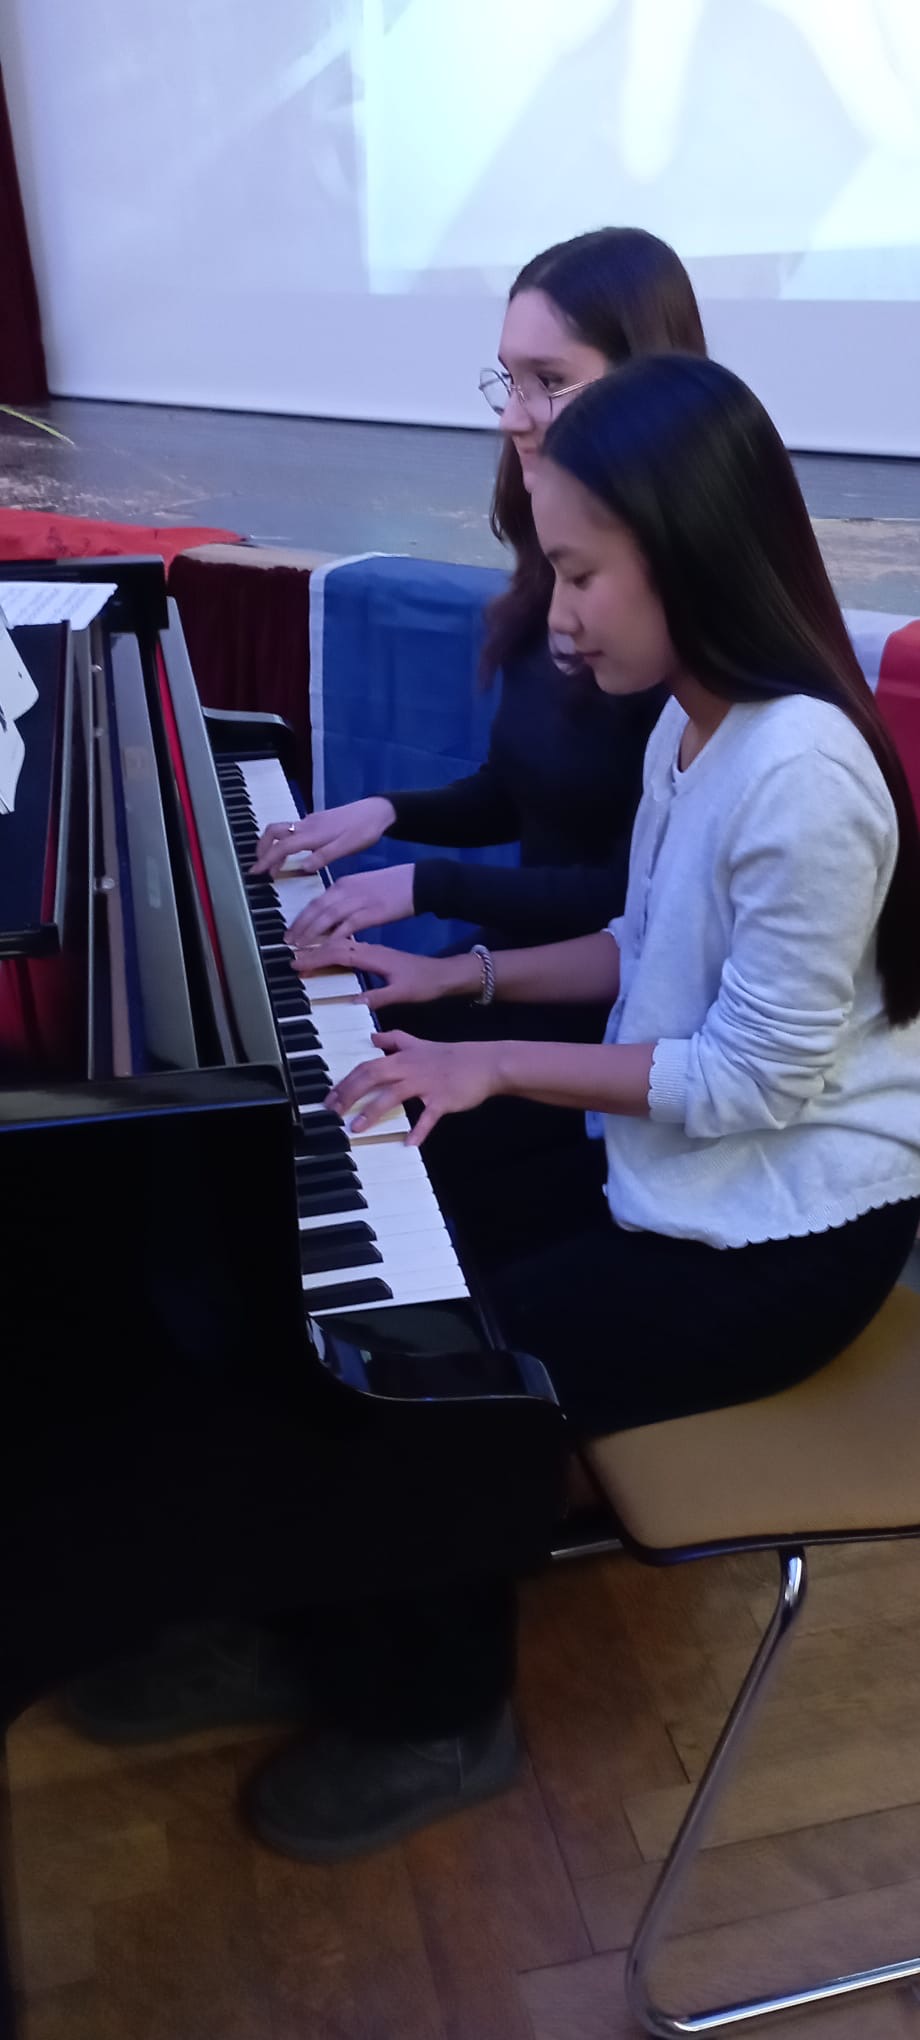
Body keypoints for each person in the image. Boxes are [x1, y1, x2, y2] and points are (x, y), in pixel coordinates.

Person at [69, 355, 920, 1869]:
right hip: (685, 1147)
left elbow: (751, 1081)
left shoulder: (804, 773)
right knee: (362, 1236)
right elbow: (640, 946)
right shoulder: (693, 724)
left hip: (789, 1227)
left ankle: (441, 1714)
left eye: (582, 573)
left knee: (452, 1370)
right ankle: (317, 1608)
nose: (559, 611)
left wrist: (500, 1063)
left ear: (693, 553)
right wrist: (454, 985)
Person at [253, 226, 708, 1248]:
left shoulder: (665, 610)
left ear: (645, 384)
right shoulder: (560, 544)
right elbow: (522, 785)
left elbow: (636, 902)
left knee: (350, 1141)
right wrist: (385, 812)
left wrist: (426, 888)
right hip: (534, 969)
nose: (512, 415)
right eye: (506, 379)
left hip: (606, 1014)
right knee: (315, 1070)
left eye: (548, 380)